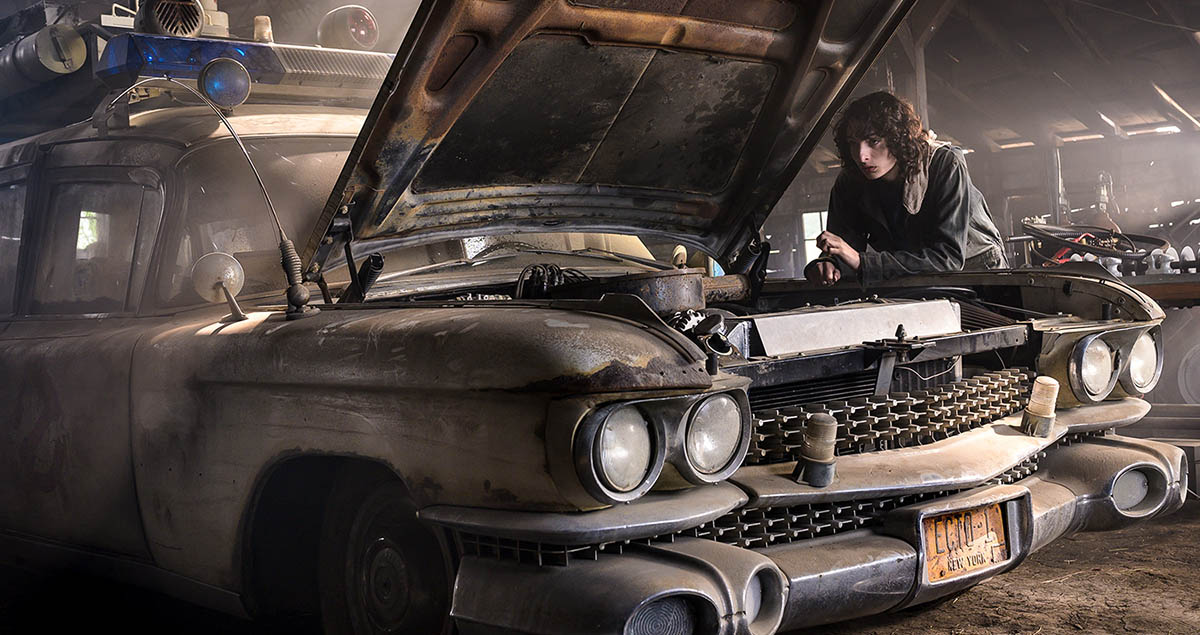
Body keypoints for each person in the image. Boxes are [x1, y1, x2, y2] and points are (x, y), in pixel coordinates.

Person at [805, 91, 1006, 286]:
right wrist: (830, 263)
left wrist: (862, 262)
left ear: (897, 138)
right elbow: (844, 245)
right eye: (852, 143)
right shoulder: (850, 182)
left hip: (978, 269)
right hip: (912, 275)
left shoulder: (944, 164)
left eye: (873, 141)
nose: (861, 156)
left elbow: (947, 258)